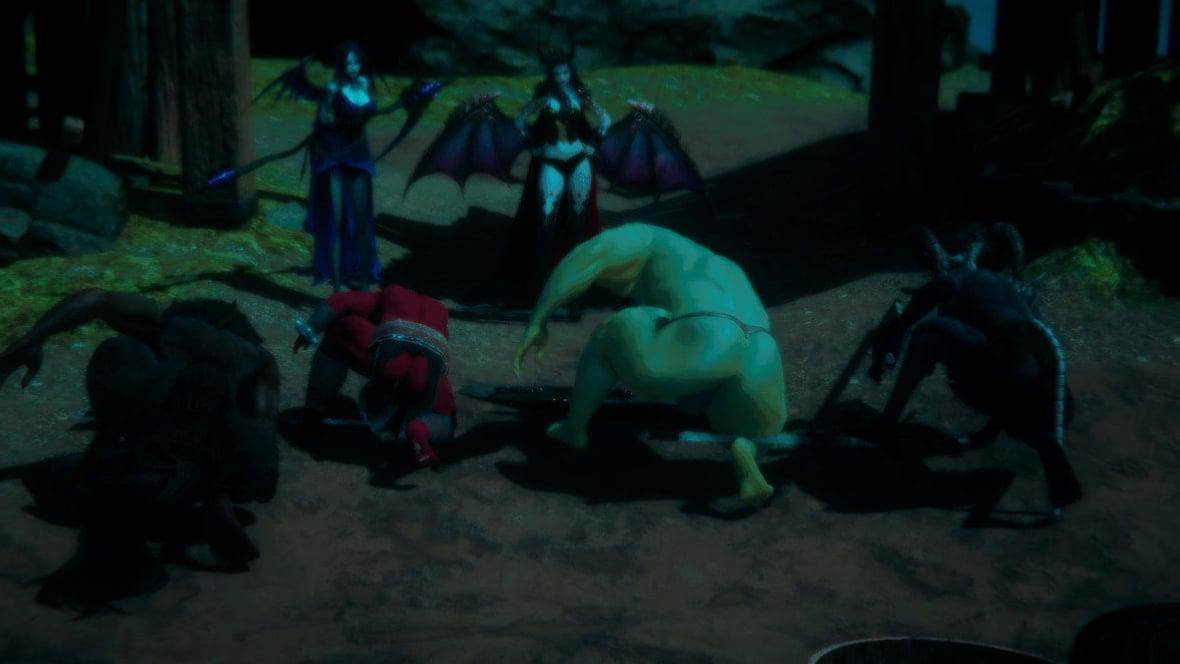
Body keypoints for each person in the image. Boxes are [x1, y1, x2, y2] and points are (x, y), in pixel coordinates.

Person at [0, 290, 280, 574]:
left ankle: (113, 464)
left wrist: (30, 341)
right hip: (212, 463)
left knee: (118, 350)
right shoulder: (260, 365)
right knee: (242, 457)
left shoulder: (170, 329)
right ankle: (199, 492)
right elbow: (261, 463)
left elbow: (96, 298)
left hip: (157, 458)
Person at [514, 223, 788, 506]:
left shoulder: (647, 237)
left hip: (708, 334)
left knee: (612, 333)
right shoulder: (726, 268)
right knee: (746, 416)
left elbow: (590, 254)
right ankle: (746, 450)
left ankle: (574, 428)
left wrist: (539, 319)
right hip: (762, 348)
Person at [296, 284, 456, 467]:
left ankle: (314, 410)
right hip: (430, 365)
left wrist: (310, 328)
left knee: (339, 329)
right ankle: (418, 429)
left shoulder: (392, 293)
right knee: (443, 412)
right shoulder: (440, 311)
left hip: (392, 353)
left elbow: (341, 301)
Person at [502, 42, 613, 283]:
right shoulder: (544, 98)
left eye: (565, 72)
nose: (562, 77)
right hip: (551, 160)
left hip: (578, 159)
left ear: (570, 72)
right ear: (550, 76)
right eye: (557, 74)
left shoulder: (580, 96)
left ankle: (575, 278)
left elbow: (606, 119)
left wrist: (593, 144)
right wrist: (534, 145)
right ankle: (543, 278)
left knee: (578, 219)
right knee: (546, 219)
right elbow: (520, 120)